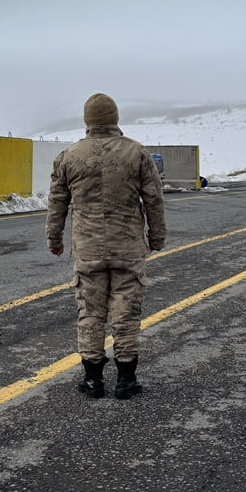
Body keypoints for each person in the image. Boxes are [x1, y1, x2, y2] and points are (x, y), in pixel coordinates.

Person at [46, 93, 167, 399]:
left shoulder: (68, 156)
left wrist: (54, 238)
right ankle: (126, 379)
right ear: (114, 118)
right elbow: (153, 199)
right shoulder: (136, 153)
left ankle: (93, 379)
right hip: (127, 247)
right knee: (126, 312)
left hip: (88, 249)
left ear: (88, 120)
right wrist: (156, 237)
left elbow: (57, 203)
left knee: (90, 312)